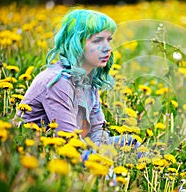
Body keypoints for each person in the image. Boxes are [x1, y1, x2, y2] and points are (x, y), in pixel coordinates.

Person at [15, 9, 117, 145]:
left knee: (130, 143)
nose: (107, 48)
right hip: (39, 154)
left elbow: (98, 129)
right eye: (97, 41)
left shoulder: (88, 80)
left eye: (108, 40)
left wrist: (103, 152)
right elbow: (68, 139)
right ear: (76, 44)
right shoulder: (57, 82)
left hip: (78, 148)